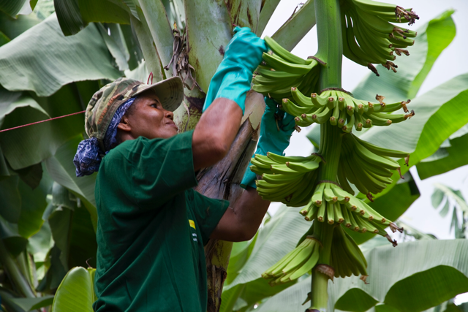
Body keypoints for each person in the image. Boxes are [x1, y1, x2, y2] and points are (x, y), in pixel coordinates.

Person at [73, 27, 295, 312]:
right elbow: (214, 141)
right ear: (124, 122)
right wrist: (237, 66)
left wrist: (271, 149)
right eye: (154, 105)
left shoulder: (176, 197)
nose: (169, 112)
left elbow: (241, 222)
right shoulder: (124, 160)